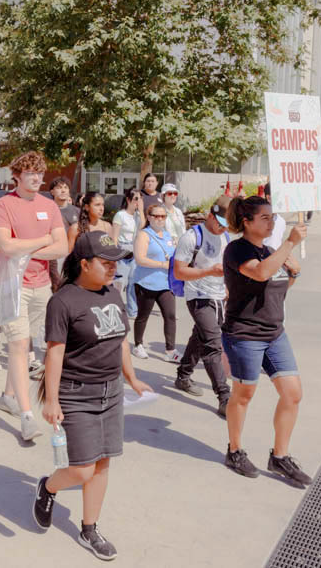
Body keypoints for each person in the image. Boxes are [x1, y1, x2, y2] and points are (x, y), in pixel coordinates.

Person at [32, 231, 154, 561]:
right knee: (83, 469)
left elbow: (122, 341)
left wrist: (132, 378)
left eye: (116, 262)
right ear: (84, 264)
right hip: (76, 395)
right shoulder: (63, 301)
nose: (113, 268)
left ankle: (89, 528)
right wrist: (52, 400)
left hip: (111, 392)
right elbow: (54, 353)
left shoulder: (112, 293)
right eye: (105, 262)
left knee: (102, 464)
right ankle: (49, 487)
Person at [221, 196, 311, 486]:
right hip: (244, 334)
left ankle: (280, 456)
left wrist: (294, 271)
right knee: (244, 394)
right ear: (247, 222)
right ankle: (234, 450)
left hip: (274, 332)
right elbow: (260, 273)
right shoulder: (237, 250)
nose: (272, 222)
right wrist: (290, 243)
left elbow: (278, 286)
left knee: (292, 393)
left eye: (273, 217)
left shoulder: (270, 250)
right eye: (265, 218)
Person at [0, 151, 68, 441]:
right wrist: (44, 240)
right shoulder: (3, 205)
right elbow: (6, 247)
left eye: (40, 173)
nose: (36, 178)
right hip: (13, 285)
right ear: (17, 176)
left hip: (42, 285)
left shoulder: (50, 206)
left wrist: (28, 248)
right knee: (20, 346)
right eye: (30, 173)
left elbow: (62, 248)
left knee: (22, 346)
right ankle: (26, 416)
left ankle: (8, 396)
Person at [173, 197, 233, 417]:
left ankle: (183, 375)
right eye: (219, 222)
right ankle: (224, 396)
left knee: (201, 336)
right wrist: (208, 272)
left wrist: (227, 287)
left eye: (226, 224)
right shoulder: (191, 238)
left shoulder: (225, 236)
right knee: (213, 344)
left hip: (218, 296)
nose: (222, 227)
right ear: (210, 215)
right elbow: (179, 272)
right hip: (197, 296)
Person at [132, 204, 179, 361]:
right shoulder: (144, 235)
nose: (160, 219)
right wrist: (162, 265)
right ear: (149, 217)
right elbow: (140, 259)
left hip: (166, 284)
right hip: (146, 283)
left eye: (163, 216)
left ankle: (170, 350)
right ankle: (138, 345)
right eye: (156, 216)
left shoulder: (168, 236)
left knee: (170, 315)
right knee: (143, 316)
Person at [110, 188, 143, 319]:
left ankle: (132, 311)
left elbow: (142, 227)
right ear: (128, 200)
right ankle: (114, 309)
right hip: (122, 250)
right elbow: (115, 236)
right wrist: (115, 254)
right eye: (135, 199)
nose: (138, 202)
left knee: (133, 282)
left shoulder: (137, 216)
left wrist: (140, 211)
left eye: (140, 199)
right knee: (119, 282)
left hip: (134, 250)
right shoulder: (120, 215)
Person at [262, 183, 287, 248]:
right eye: (279, 196)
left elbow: (278, 245)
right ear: (269, 198)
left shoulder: (281, 221)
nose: (283, 200)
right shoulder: (258, 220)